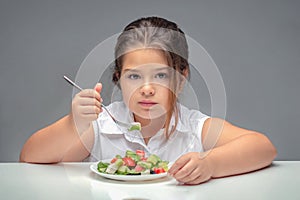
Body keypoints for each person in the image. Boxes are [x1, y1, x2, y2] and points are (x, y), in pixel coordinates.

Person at [20, 16, 277, 185]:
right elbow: (30, 158)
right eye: (134, 76)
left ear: (181, 77)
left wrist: (209, 163)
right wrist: (73, 123)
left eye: (161, 75)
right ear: (118, 78)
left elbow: (264, 147)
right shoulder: (101, 126)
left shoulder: (194, 128)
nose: (146, 89)